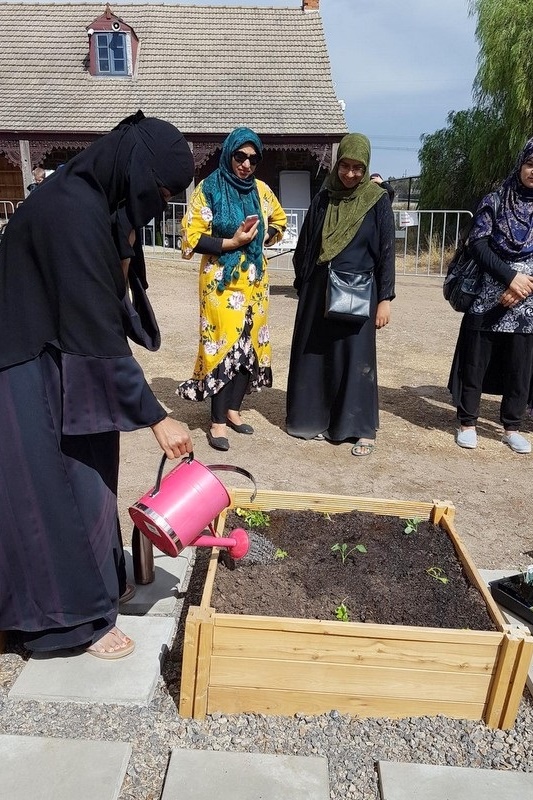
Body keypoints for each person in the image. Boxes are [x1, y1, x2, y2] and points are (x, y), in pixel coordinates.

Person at [0, 112, 195, 658]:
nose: (158, 202)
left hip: (59, 355)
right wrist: (156, 416)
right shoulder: (70, 213)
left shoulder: (93, 199)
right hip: (25, 365)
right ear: (134, 170)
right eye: (158, 190)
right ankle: (70, 623)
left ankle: (98, 587)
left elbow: (107, 304)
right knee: (53, 494)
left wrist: (127, 244)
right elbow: (101, 336)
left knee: (92, 475)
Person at [177, 127, 287, 451]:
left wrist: (260, 240)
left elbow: (279, 222)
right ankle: (217, 422)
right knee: (222, 347)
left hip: (254, 282)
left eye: (253, 159)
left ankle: (233, 410)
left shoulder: (262, 191)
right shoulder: (208, 189)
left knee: (248, 345)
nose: (246, 164)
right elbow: (192, 238)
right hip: (220, 283)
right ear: (229, 154)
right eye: (241, 156)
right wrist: (232, 242)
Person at [285, 133, 395, 456]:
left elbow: (387, 252)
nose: (349, 174)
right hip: (319, 290)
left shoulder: (376, 201)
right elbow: (306, 244)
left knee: (355, 358)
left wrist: (385, 298)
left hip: (358, 291)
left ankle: (359, 428)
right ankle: (313, 420)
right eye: (344, 166)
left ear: (366, 167)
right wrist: (302, 285)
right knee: (317, 355)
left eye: (357, 168)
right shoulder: (324, 197)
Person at [448, 138, 533, 454]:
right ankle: (467, 422)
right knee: (475, 362)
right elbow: (478, 244)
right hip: (487, 297)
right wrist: (510, 278)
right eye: (530, 164)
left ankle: (511, 427)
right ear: (520, 165)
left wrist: (525, 287)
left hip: (526, 306)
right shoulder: (496, 201)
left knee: (519, 367)